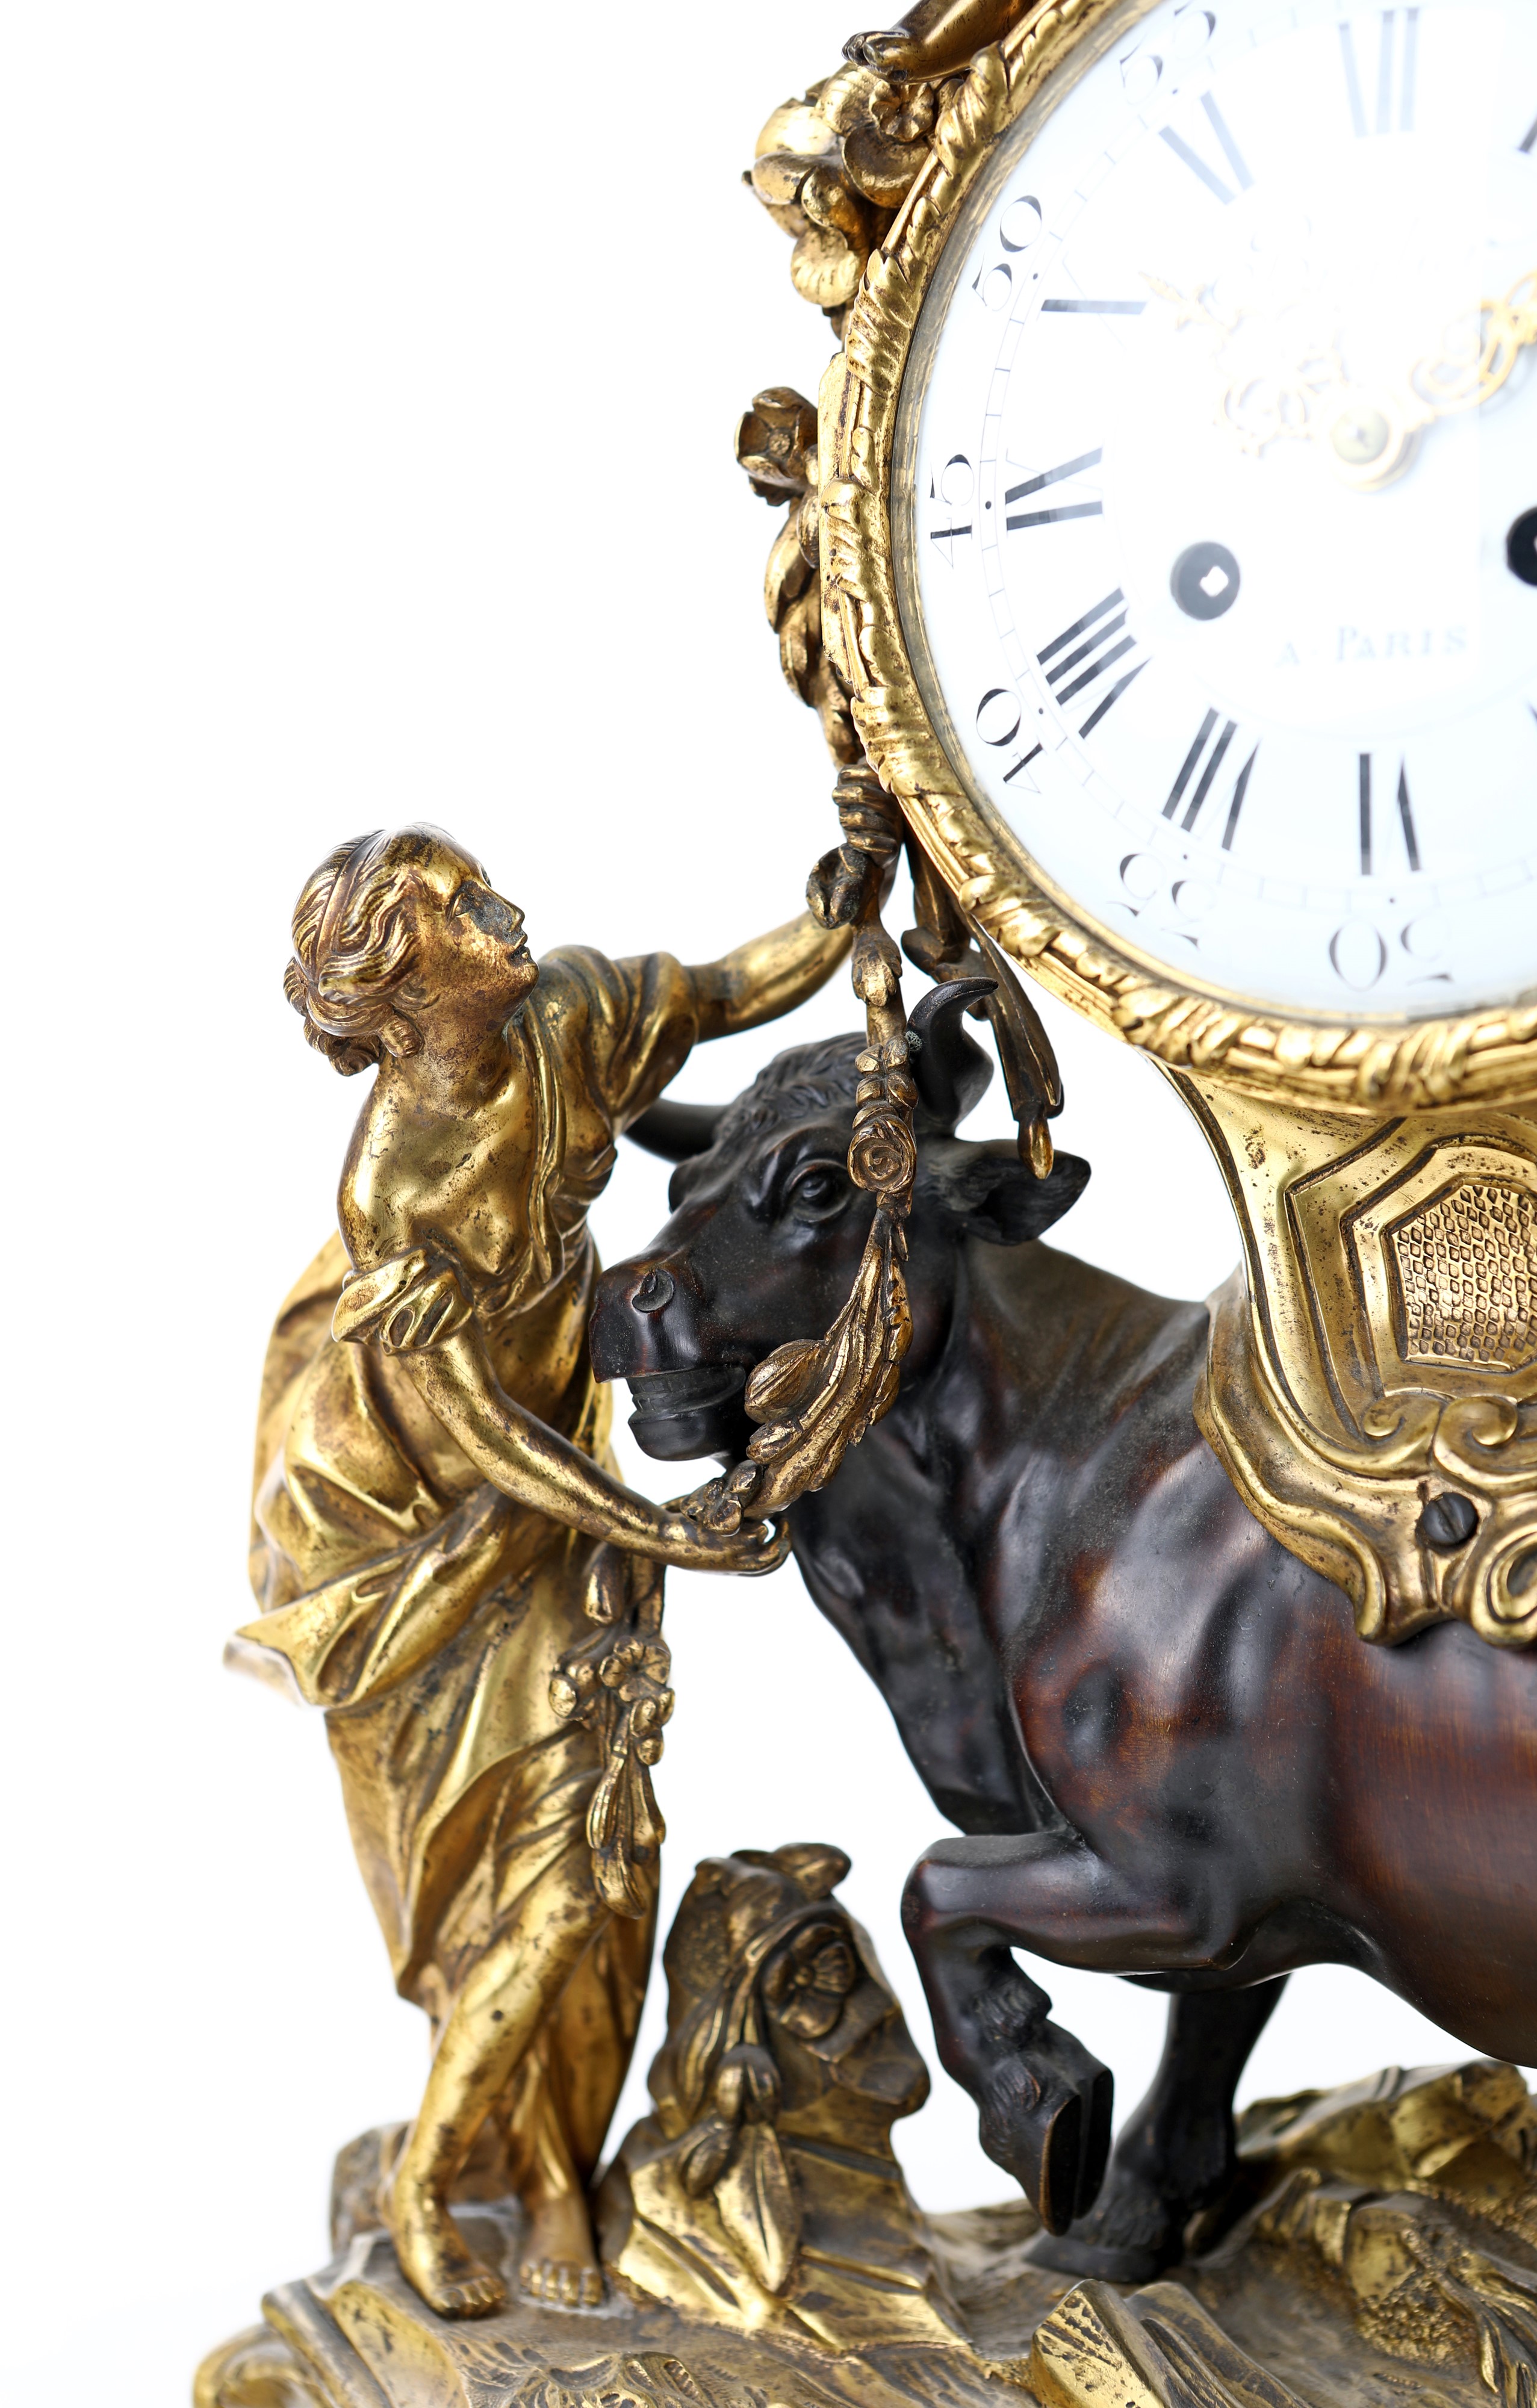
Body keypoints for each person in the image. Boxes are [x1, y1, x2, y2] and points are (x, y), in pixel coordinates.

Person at [235, 824, 848, 2319]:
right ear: (400, 992)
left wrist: (842, 912)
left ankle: (540, 2159)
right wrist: (659, 1528)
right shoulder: (394, 1189)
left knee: (584, 1863)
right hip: (408, 1541)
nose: (504, 910)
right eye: (460, 909)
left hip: (555, 1477)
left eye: (482, 884)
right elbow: (483, 1441)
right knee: (463, 1879)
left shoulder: (565, 1011)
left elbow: (722, 987)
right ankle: (445, 2175)